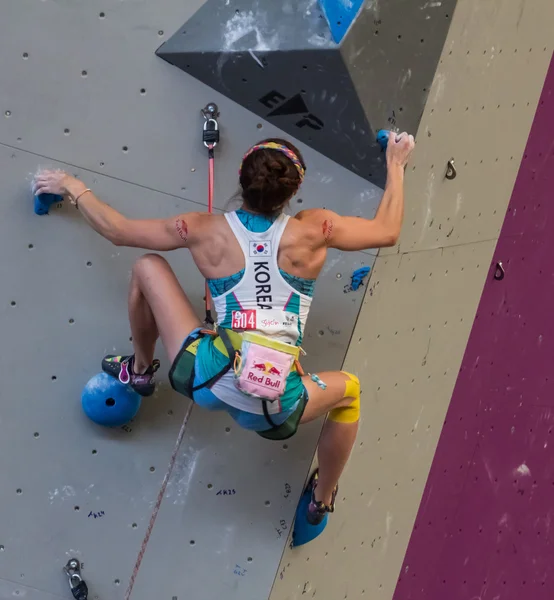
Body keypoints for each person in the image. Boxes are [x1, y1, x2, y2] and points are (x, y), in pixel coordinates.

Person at [32, 132, 414, 525]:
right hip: (275, 406)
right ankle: (322, 499)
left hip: (207, 378)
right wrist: (396, 164)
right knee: (349, 391)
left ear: (241, 179)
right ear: (294, 190)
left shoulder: (201, 229)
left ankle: (142, 372)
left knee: (147, 267)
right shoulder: (315, 230)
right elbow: (386, 231)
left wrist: (71, 186)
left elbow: (118, 230)